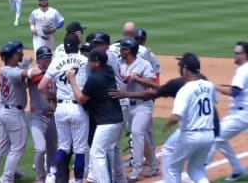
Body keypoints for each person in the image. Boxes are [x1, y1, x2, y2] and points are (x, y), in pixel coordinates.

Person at [66, 49, 124, 183]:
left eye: (90, 61)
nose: (88, 63)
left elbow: (81, 98)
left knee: (97, 154)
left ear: (97, 63)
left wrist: (72, 80)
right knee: (102, 152)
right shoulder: (108, 71)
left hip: (107, 122)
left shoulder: (95, 79)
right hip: (115, 119)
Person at [38, 33, 89, 183]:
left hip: (60, 108)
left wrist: (51, 97)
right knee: (79, 149)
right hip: (78, 108)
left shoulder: (56, 62)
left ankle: (51, 173)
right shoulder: (85, 61)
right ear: (78, 46)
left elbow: (41, 87)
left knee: (64, 146)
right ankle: (78, 181)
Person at [162, 52, 218, 183]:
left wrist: (168, 124)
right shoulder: (209, 85)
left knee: (173, 169)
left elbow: (176, 117)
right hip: (209, 135)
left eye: (181, 66)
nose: (179, 68)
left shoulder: (185, 90)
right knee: (196, 170)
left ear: (186, 69)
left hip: (191, 136)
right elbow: (214, 101)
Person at [0, 40, 42, 182]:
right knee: (17, 149)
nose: (21, 54)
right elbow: (31, 73)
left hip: (5, 112)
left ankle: (8, 176)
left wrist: (23, 66)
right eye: (18, 53)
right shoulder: (13, 73)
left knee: (10, 146)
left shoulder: (3, 69)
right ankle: (6, 179)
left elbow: (20, 72)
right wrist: (49, 68)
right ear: (12, 56)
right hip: (14, 113)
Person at [206, 41, 248, 182]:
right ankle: (237, 169)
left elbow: (234, 92)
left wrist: (215, 87)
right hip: (242, 113)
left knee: (215, 135)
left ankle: (201, 168)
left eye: (237, 53)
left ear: (245, 55)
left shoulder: (242, 70)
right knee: (221, 138)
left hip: (242, 115)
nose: (234, 55)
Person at [118, 38, 159, 182]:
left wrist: (137, 79)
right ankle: (154, 166)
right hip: (128, 105)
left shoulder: (143, 64)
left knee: (136, 133)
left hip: (143, 105)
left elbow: (153, 85)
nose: (120, 51)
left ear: (128, 51)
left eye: (122, 48)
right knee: (143, 138)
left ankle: (136, 171)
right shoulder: (120, 65)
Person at [28, 46, 58, 183]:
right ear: (39, 59)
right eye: (45, 57)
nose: (48, 59)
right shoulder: (34, 73)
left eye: (49, 57)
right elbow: (30, 80)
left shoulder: (55, 71)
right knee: (40, 149)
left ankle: (51, 176)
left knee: (52, 148)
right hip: (37, 116)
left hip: (52, 115)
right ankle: (40, 178)